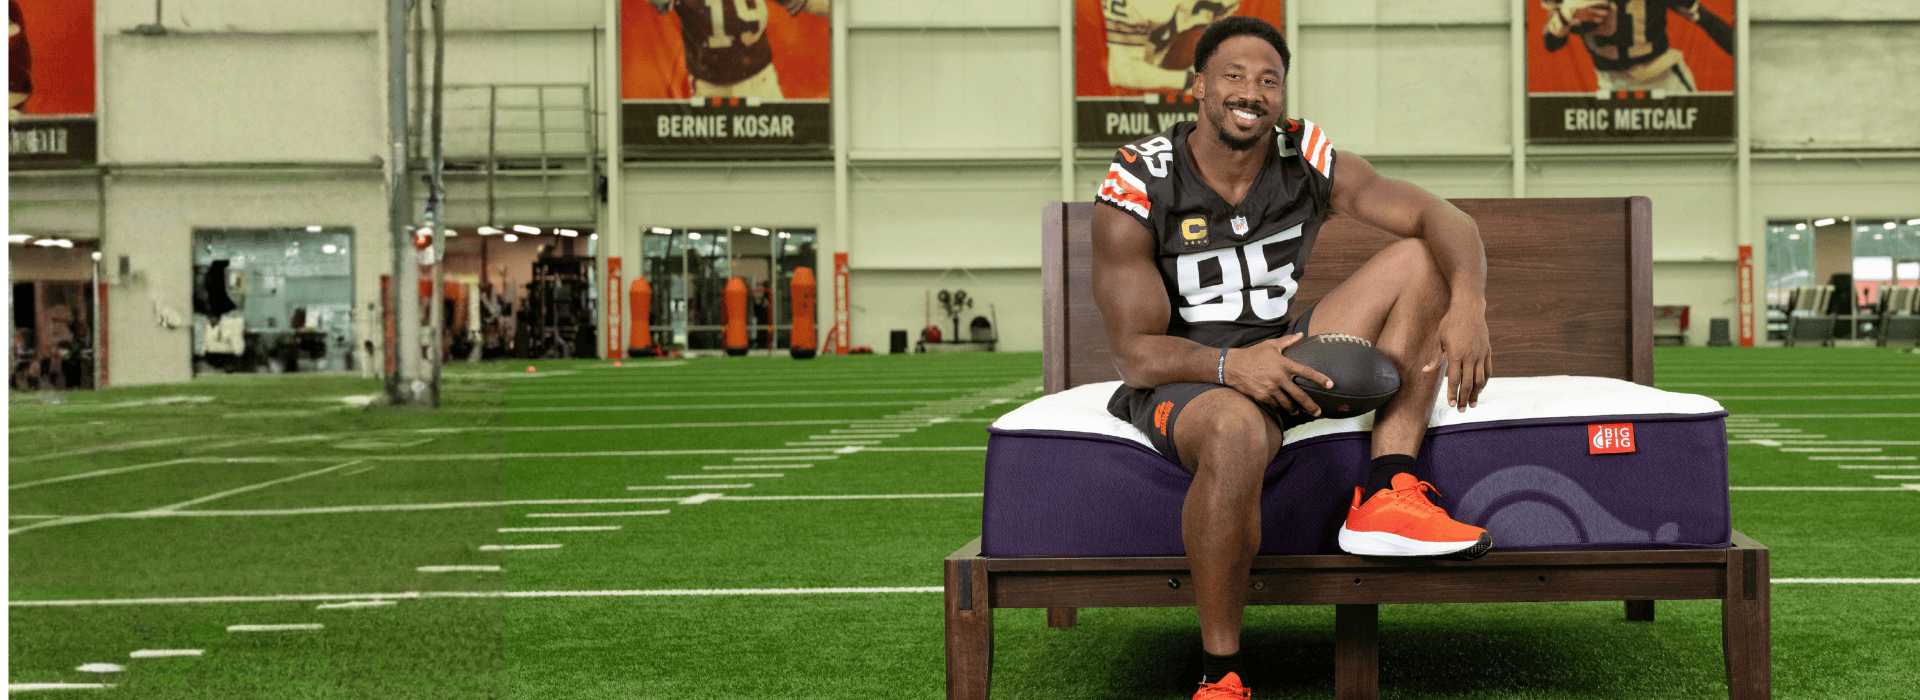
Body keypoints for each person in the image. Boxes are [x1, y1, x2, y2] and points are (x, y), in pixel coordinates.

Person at [1091, 16, 1495, 699]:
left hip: (1283, 353)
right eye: (1234, 76)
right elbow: (1134, 354)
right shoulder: (1140, 179)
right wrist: (1228, 368)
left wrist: (1470, 304)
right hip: (1188, 378)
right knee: (1235, 429)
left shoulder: (1302, 152)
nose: (1252, 90)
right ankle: (1223, 674)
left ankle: (1387, 490)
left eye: (1268, 79)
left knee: (1423, 260)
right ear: (1197, 88)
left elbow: (1444, 216)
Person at [647, 0, 829, 100]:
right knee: (712, 162)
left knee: (775, 156)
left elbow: (812, 3)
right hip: (710, 87)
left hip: (759, 81)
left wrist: (847, 10)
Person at [1541, 0, 1732, 94]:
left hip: (1663, 81)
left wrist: (1747, 51)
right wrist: (1565, 18)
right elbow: (1552, 42)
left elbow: (1706, 19)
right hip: (1611, 85)